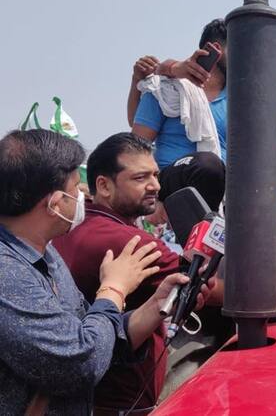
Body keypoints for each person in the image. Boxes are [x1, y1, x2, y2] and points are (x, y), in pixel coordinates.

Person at [0, 129, 211, 414]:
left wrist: (155, 307)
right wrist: (113, 289)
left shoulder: (45, 253)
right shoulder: (8, 274)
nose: (81, 196)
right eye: (76, 188)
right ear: (54, 203)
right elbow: (80, 364)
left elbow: (97, 331)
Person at [53, 133, 222, 414]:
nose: (155, 186)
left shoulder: (74, 227)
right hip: (125, 402)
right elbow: (221, 292)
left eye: (156, 175)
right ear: (104, 186)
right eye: (140, 178)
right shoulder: (132, 242)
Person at [130, 19, 228, 166]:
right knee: (207, 162)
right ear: (217, 49)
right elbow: (135, 150)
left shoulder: (240, 101)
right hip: (173, 176)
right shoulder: (167, 89)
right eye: (241, 49)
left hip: (225, 178)